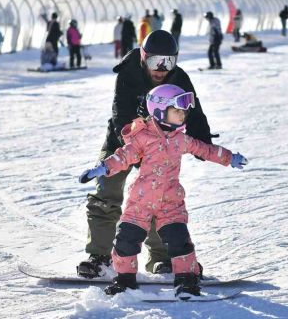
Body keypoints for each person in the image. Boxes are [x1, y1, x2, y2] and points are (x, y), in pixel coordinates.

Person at [79, 83, 248, 298]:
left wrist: (229, 157)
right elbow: (124, 156)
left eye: (184, 111)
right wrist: (103, 167)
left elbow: (205, 149)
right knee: (126, 241)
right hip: (140, 201)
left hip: (171, 201)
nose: (182, 115)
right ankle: (125, 280)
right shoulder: (142, 137)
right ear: (159, 111)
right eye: (177, 111)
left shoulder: (181, 139)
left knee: (180, 241)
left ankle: (186, 281)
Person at [77, 30, 216, 279]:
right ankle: (99, 256)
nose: (161, 69)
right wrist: (132, 149)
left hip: (160, 145)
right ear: (144, 57)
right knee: (106, 191)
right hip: (122, 141)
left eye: (168, 62)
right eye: (155, 61)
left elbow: (193, 111)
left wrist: (203, 141)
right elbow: (121, 112)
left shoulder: (179, 78)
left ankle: (161, 259)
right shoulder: (128, 73)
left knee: (159, 197)